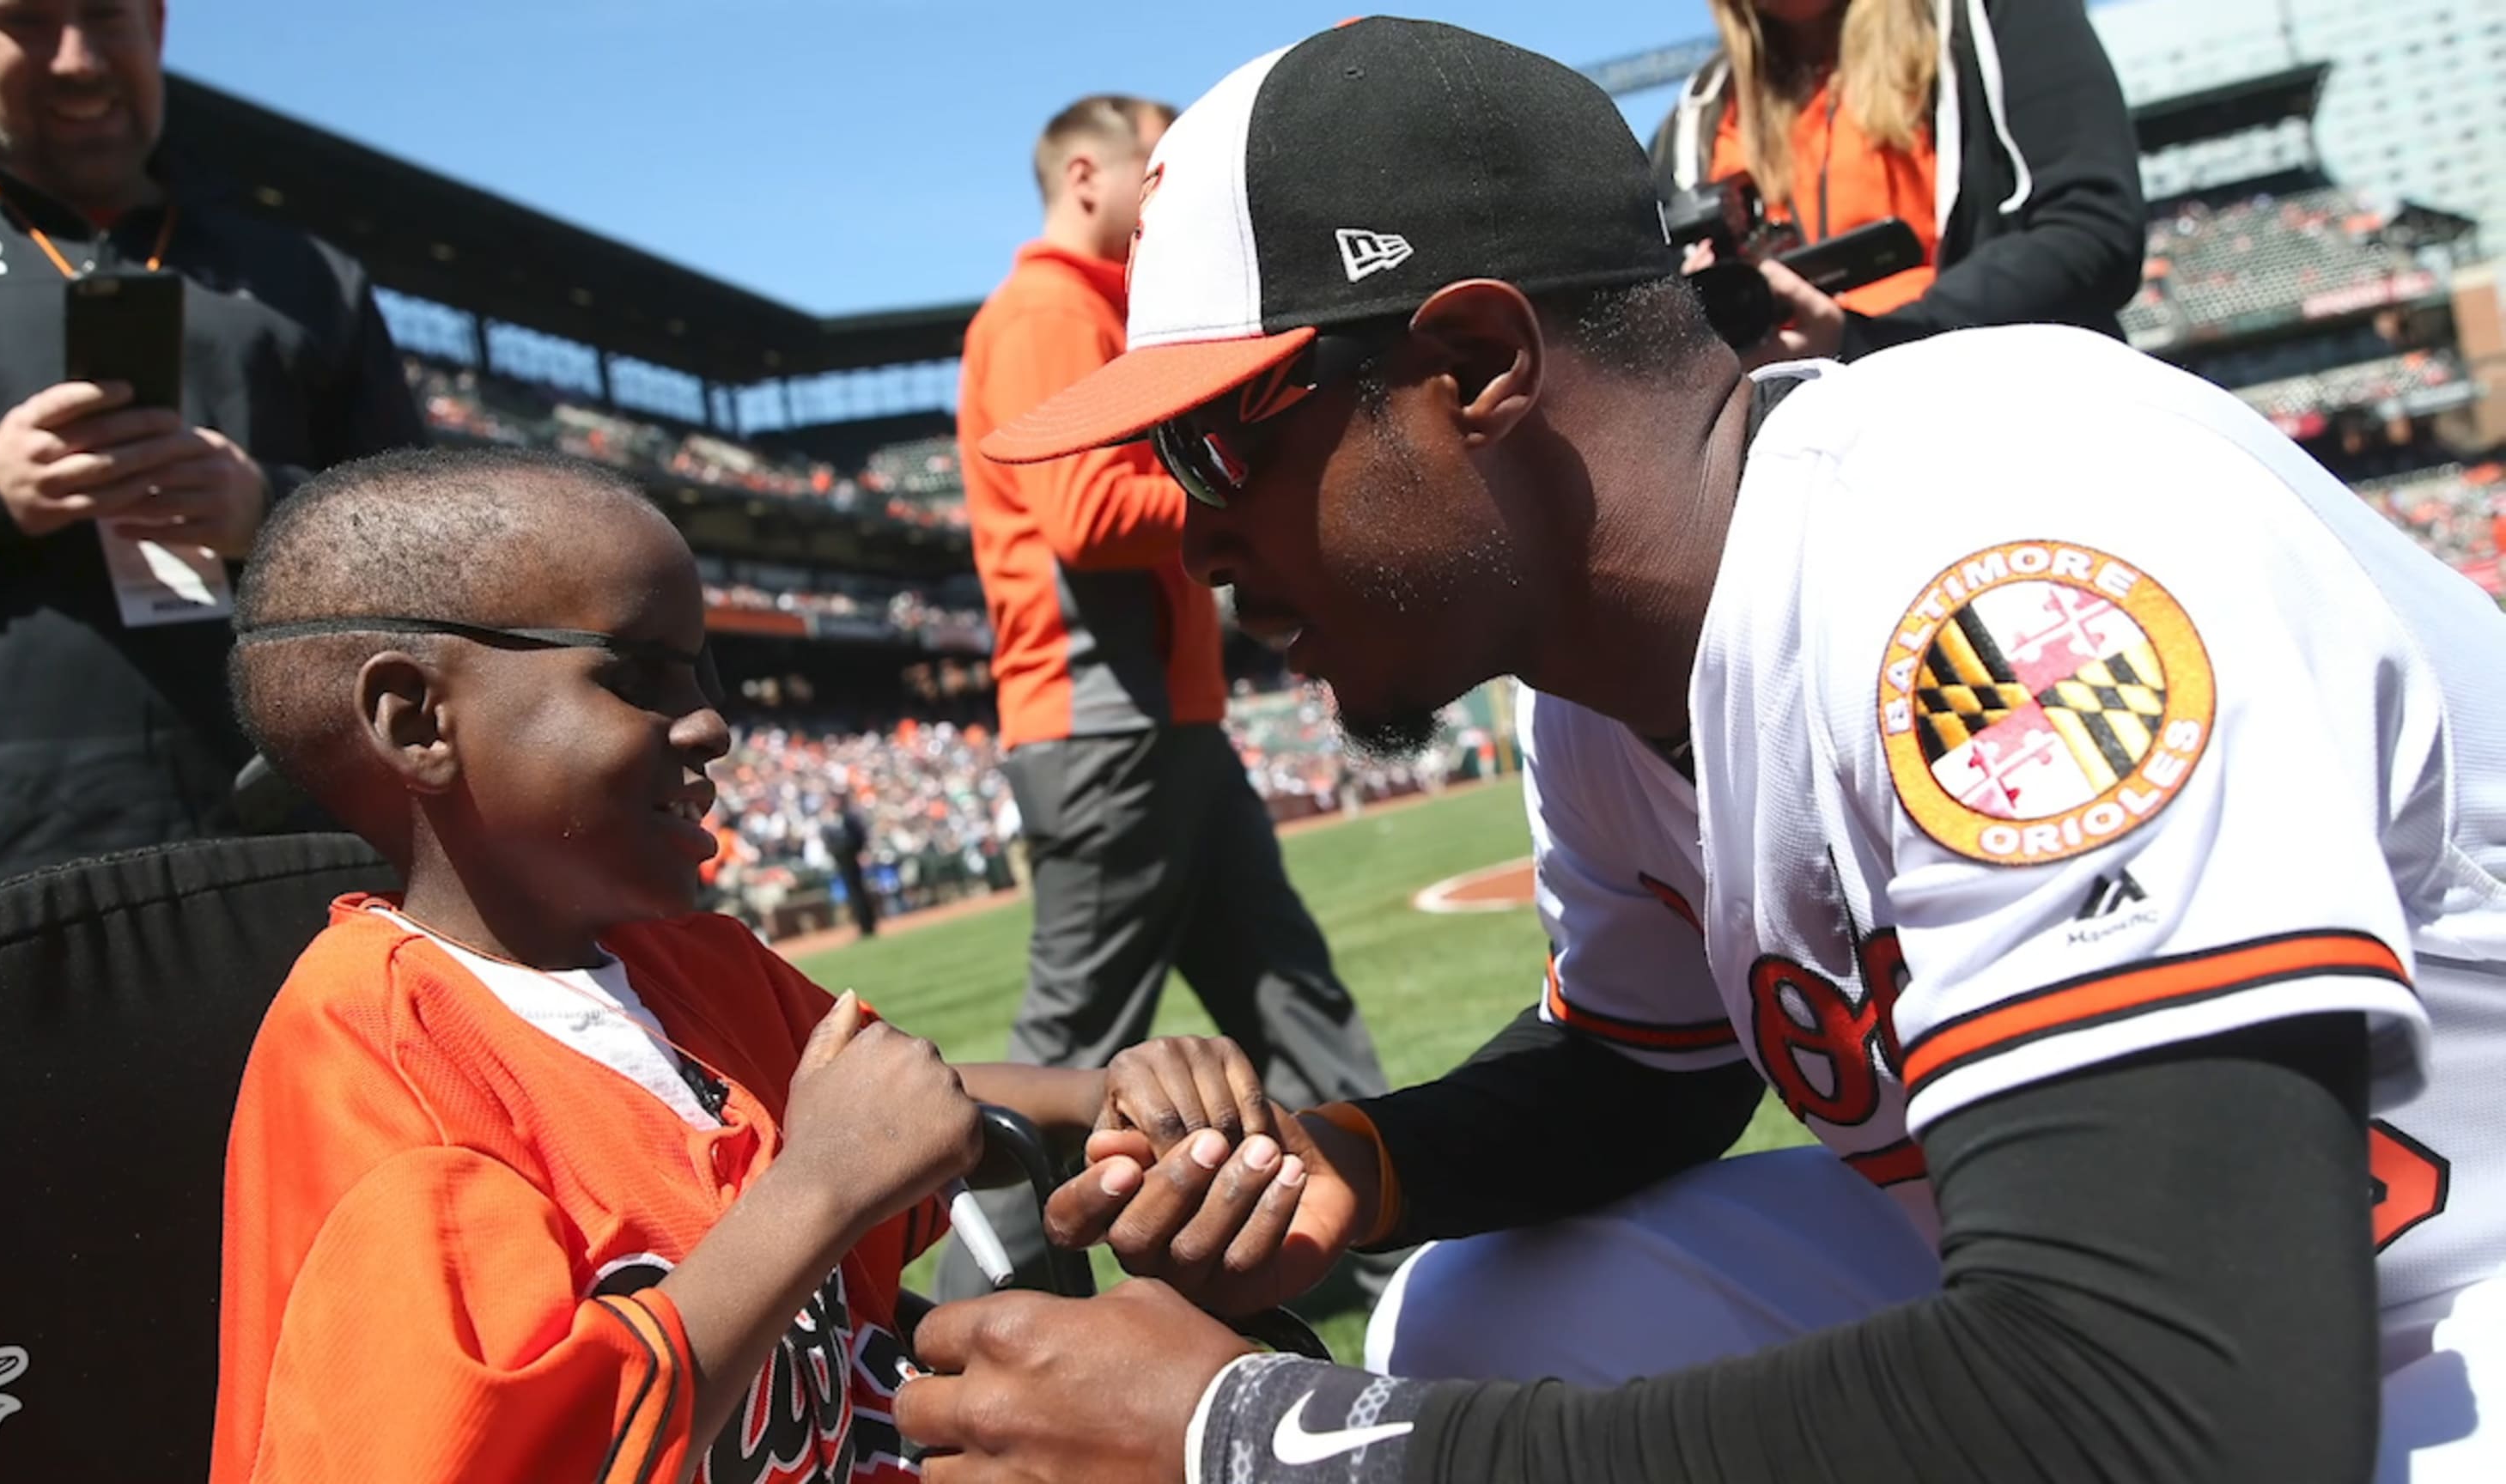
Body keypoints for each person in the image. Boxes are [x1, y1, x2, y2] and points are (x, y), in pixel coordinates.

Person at [888, 19, 2504, 1484]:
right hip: (2241, 1278)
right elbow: (1638, 1073)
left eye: (1223, 436)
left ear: (1472, 368)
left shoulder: (1992, 557)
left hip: (2442, 1295)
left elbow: (2181, 1400)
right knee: (1484, 1306)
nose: (1190, 531)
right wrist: (1349, 1163)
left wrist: (1257, 1438)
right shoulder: (1606, 665)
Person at [209, 446, 1280, 1483]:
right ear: (415, 722)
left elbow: (897, 1114)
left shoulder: (694, 964)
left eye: (703, 674)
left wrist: (1110, 1095)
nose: (712, 724)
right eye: (638, 677)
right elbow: (491, 1450)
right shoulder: (373, 1060)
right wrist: (816, 1192)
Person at [943, 93, 1388, 1299]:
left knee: (1289, 991)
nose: (1171, 192)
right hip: (1104, 726)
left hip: (1155, 723)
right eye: (1156, 167)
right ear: (1086, 176)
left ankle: (1382, 1228)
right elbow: (1084, 516)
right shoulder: (1043, 310)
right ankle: (964, 1317)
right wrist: (1235, 490)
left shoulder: (1095, 309)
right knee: (1070, 1049)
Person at [0, 0, 424, 917]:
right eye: (27, 21)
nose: (79, 59)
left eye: (106, 17)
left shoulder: (305, 278)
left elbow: (435, 554)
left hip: (288, 851)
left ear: (157, 28)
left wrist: (270, 513)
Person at [1653, 0, 2144, 364]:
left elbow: (2091, 229)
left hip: (2017, 407)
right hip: (1811, 453)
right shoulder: (1695, 121)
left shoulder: (1986, 17)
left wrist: (1865, 341)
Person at [828, 791, 878, 937]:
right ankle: (865, 925)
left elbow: (858, 838)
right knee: (856, 894)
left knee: (858, 894)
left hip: (851, 861)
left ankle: (867, 925)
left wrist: (859, 852)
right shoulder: (840, 819)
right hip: (846, 862)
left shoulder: (848, 818)